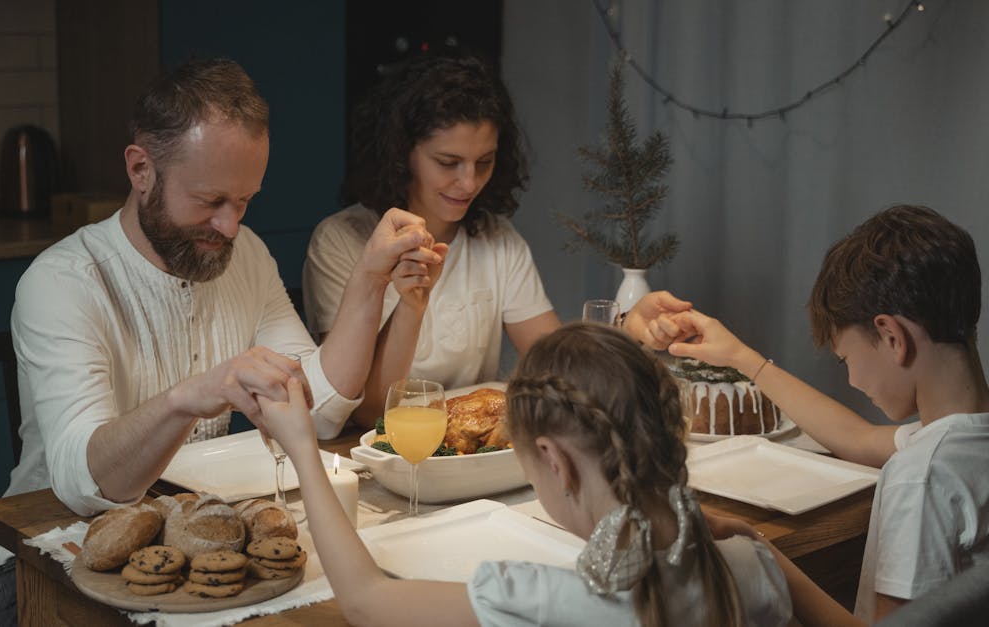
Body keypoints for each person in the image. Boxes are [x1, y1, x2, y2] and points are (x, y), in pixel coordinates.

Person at [0, 59, 443, 626]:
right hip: (49, 557)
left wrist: (370, 280)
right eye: (209, 201)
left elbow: (318, 413)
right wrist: (190, 395)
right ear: (141, 169)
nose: (229, 226)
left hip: (194, 545)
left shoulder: (245, 255)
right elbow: (86, 485)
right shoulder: (63, 282)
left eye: (244, 201)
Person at [252, 322, 792, 627]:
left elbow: (365, 601)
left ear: (554, 461)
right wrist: (747, 535)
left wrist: (303, 447)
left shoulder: (538, 597)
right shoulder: (752, 569)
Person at [668, 205, 989, 624]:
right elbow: (855, 438)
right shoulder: (960, 442)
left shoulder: (922, 477)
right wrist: (742, 358)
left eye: (845, 360)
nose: (853, 379)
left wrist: (763, 553)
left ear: (892, 337)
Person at [301, 52, 560, 423]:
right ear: (402, 154)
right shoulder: (340, 240)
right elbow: (371, 412)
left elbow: (554, 360)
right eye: (448, 162)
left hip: (468, 445)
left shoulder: (498, 238)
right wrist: (410, 306)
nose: (469, 183)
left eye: (484, 162)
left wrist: (625, 331)